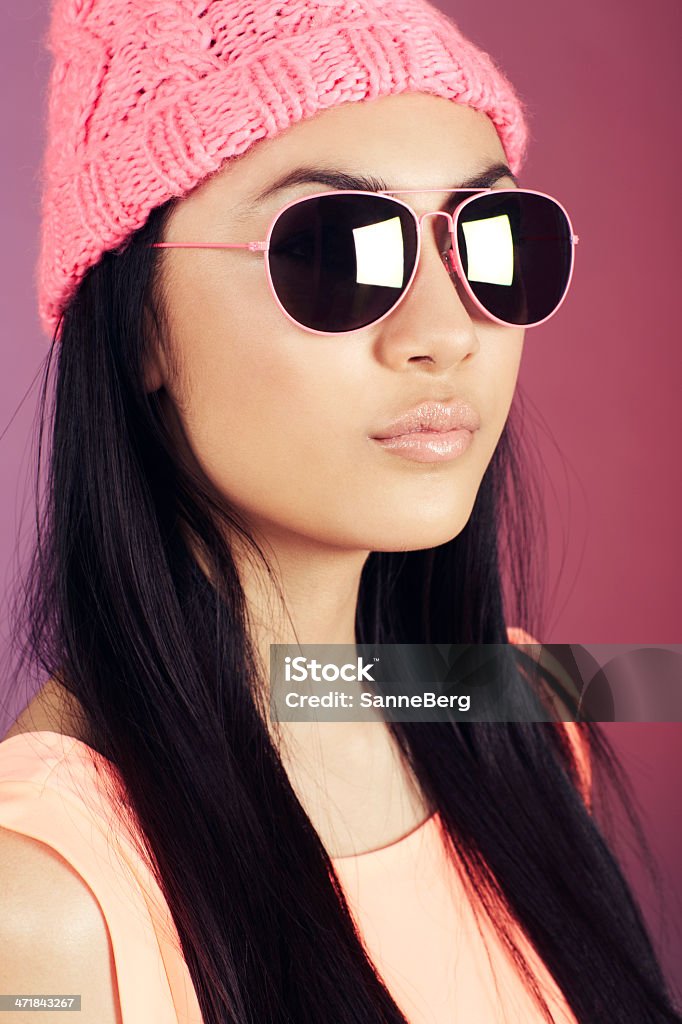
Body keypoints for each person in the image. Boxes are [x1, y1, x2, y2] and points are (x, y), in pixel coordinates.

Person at [0, 1, 679, 1022]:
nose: (446, 332)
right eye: (333, 250)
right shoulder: (42, 906)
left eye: (490, 238)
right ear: (135, 320)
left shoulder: (522, 715)